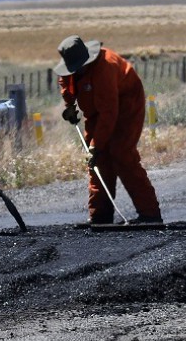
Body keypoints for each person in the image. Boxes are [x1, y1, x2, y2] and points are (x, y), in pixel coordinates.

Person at [55, 36, 162, 226]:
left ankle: (150, 215)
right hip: (97, 110)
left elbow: (109, 113)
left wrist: (96, 145)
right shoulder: (73, 67)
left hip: (126, 103)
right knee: (97, 161)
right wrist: (69, 104)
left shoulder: (105, 68)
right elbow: (66, 81)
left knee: (121, 153)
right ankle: (100, 217)